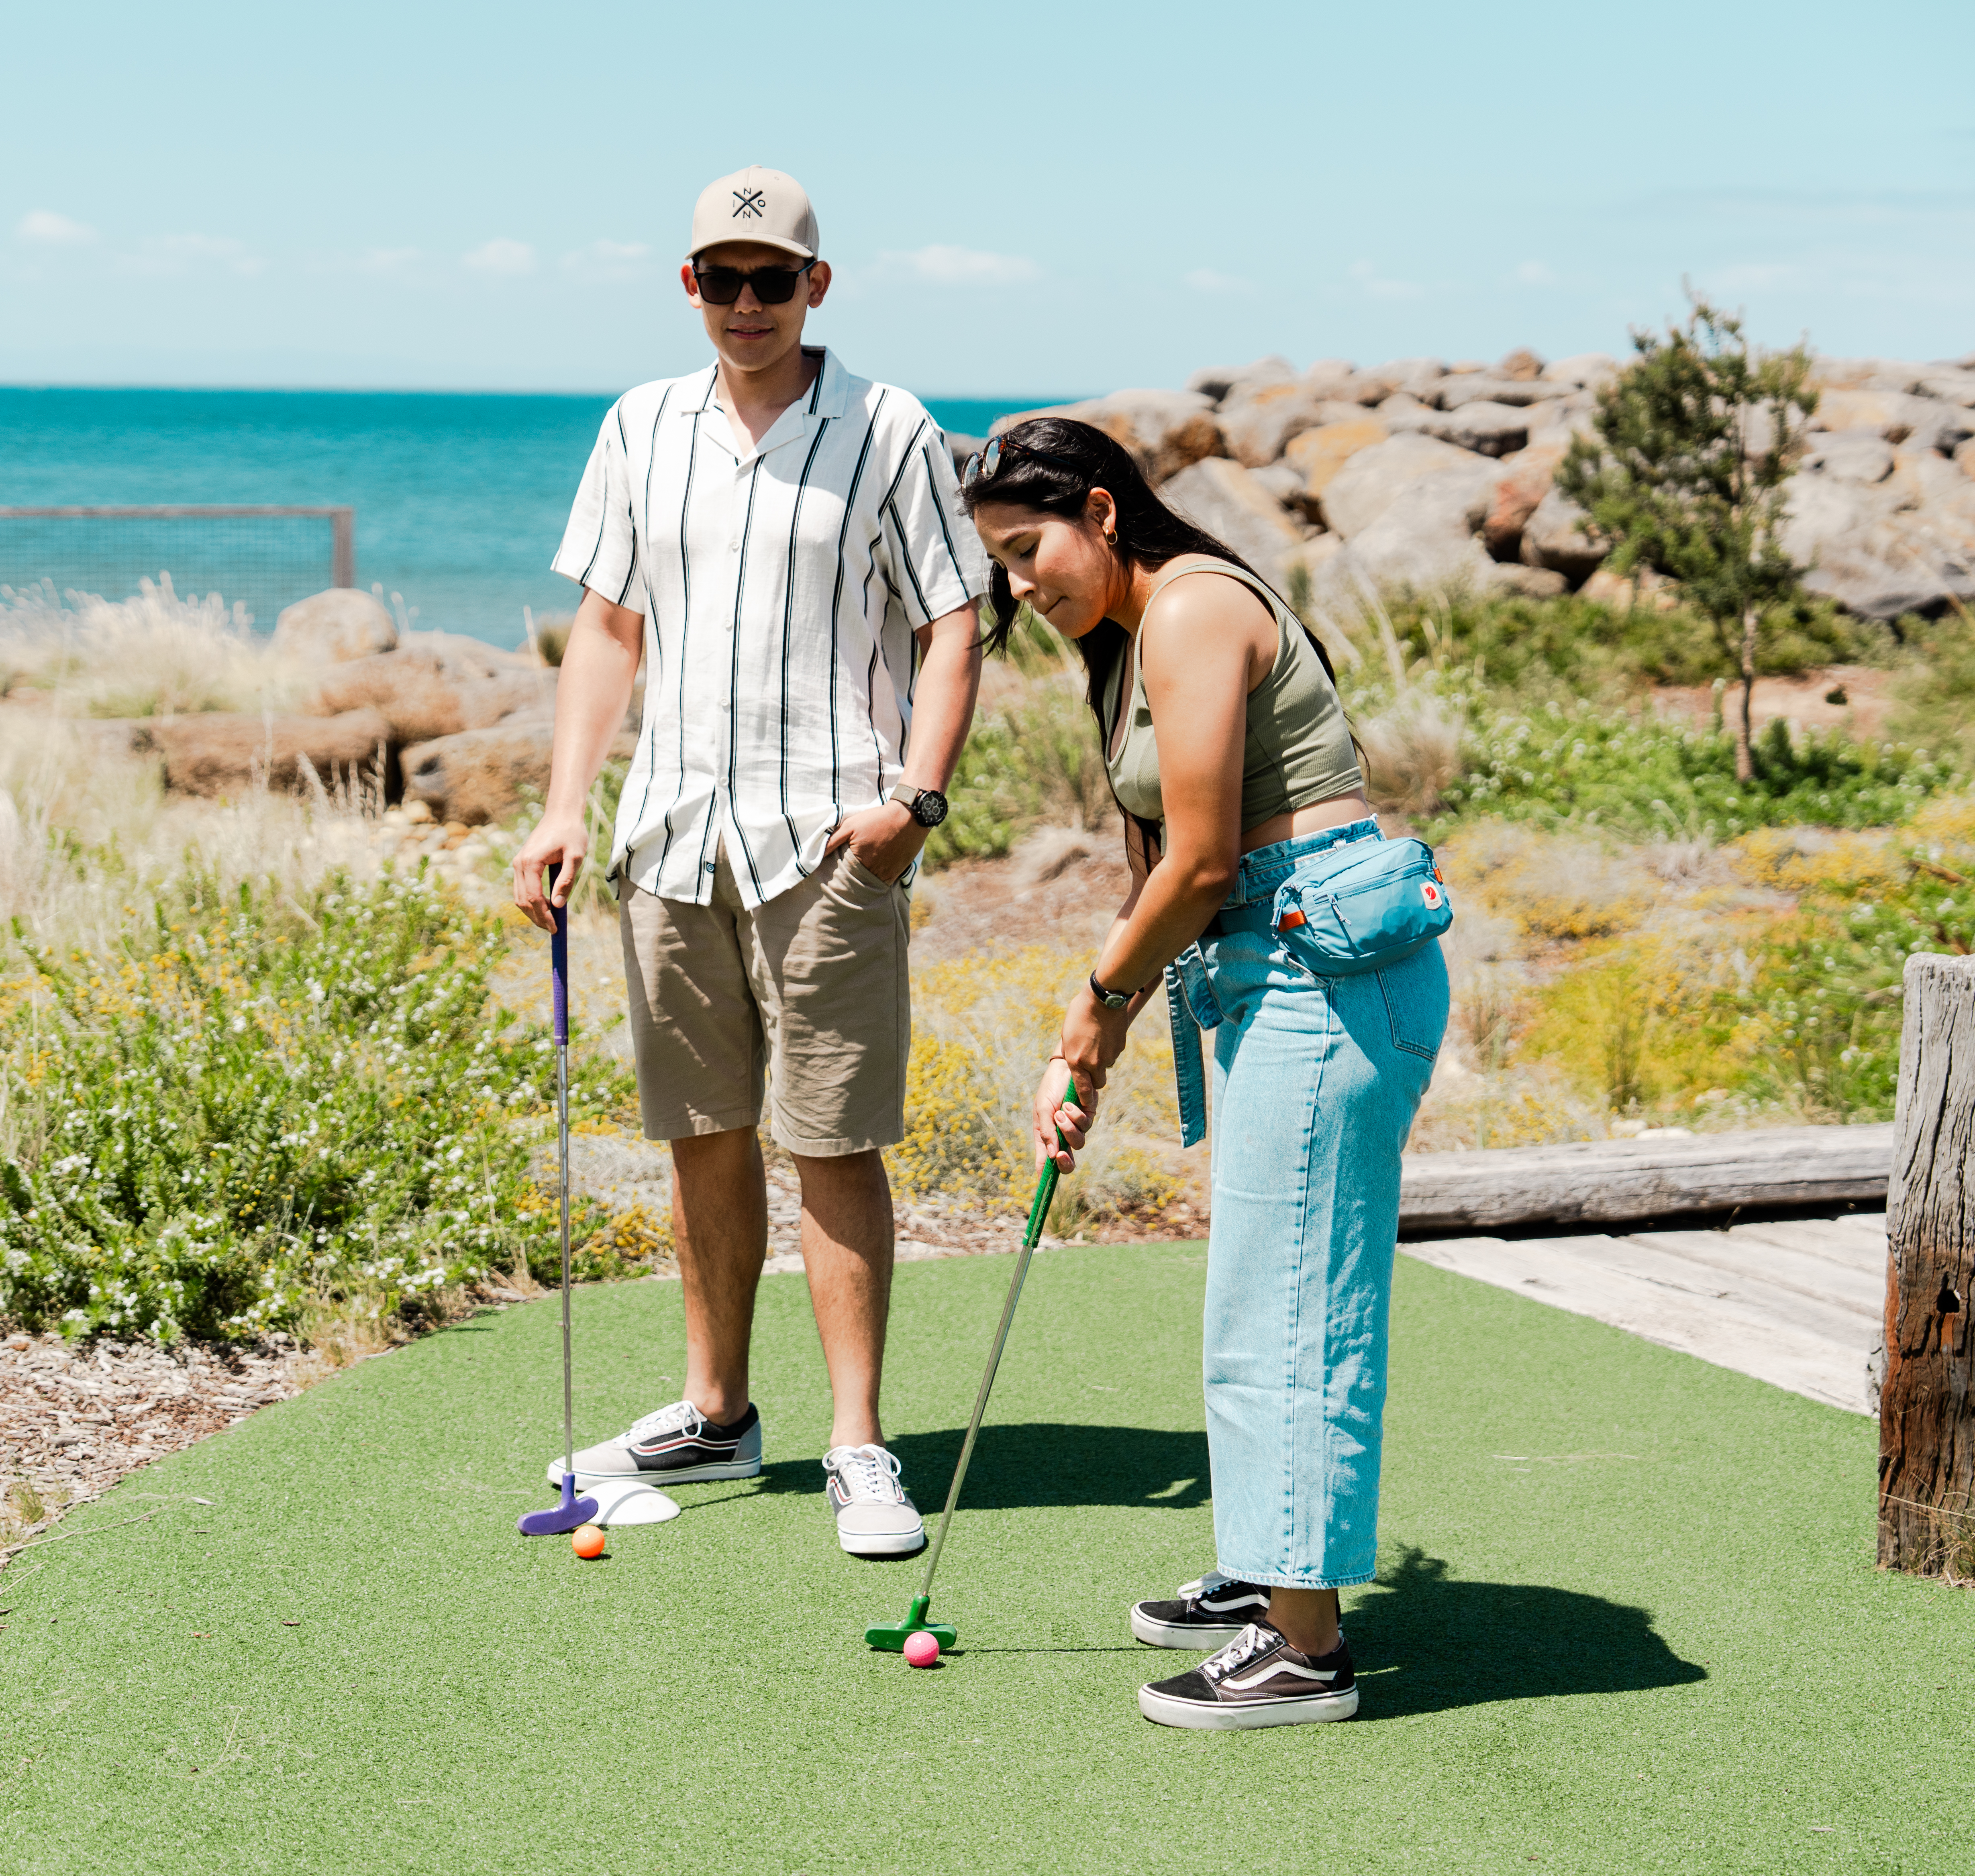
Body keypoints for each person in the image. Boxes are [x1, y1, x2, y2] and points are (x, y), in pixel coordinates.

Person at [511, 166, 985, 1558]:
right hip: (668, 836)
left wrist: (919, 797)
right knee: (700, 1133)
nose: (746, 303)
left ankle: (858, 1446)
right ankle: (718, 1417)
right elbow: (607, 630)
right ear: (689, 287)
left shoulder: (890, 427)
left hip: (833, 838)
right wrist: (562, 805)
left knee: (833, 1139)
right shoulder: (639, 427)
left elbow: (955, 622)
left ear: (817, 289)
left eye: (772, 279)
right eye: (722, 278)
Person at [961, 417, 1448, 1728]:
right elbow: (1165, 869)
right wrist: (1103, 1042)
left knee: (1288, 1306)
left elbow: (1206, 864)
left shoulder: (1188, 610)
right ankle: (1270, 1568)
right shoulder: (1131, 643)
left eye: (1032, 548)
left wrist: (1096, 1003)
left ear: (1106, 515)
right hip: (1274, 974)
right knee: (1259, 1289)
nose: (1022, 583)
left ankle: (1306, 1652)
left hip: (1323, 970)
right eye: (1000, 563)